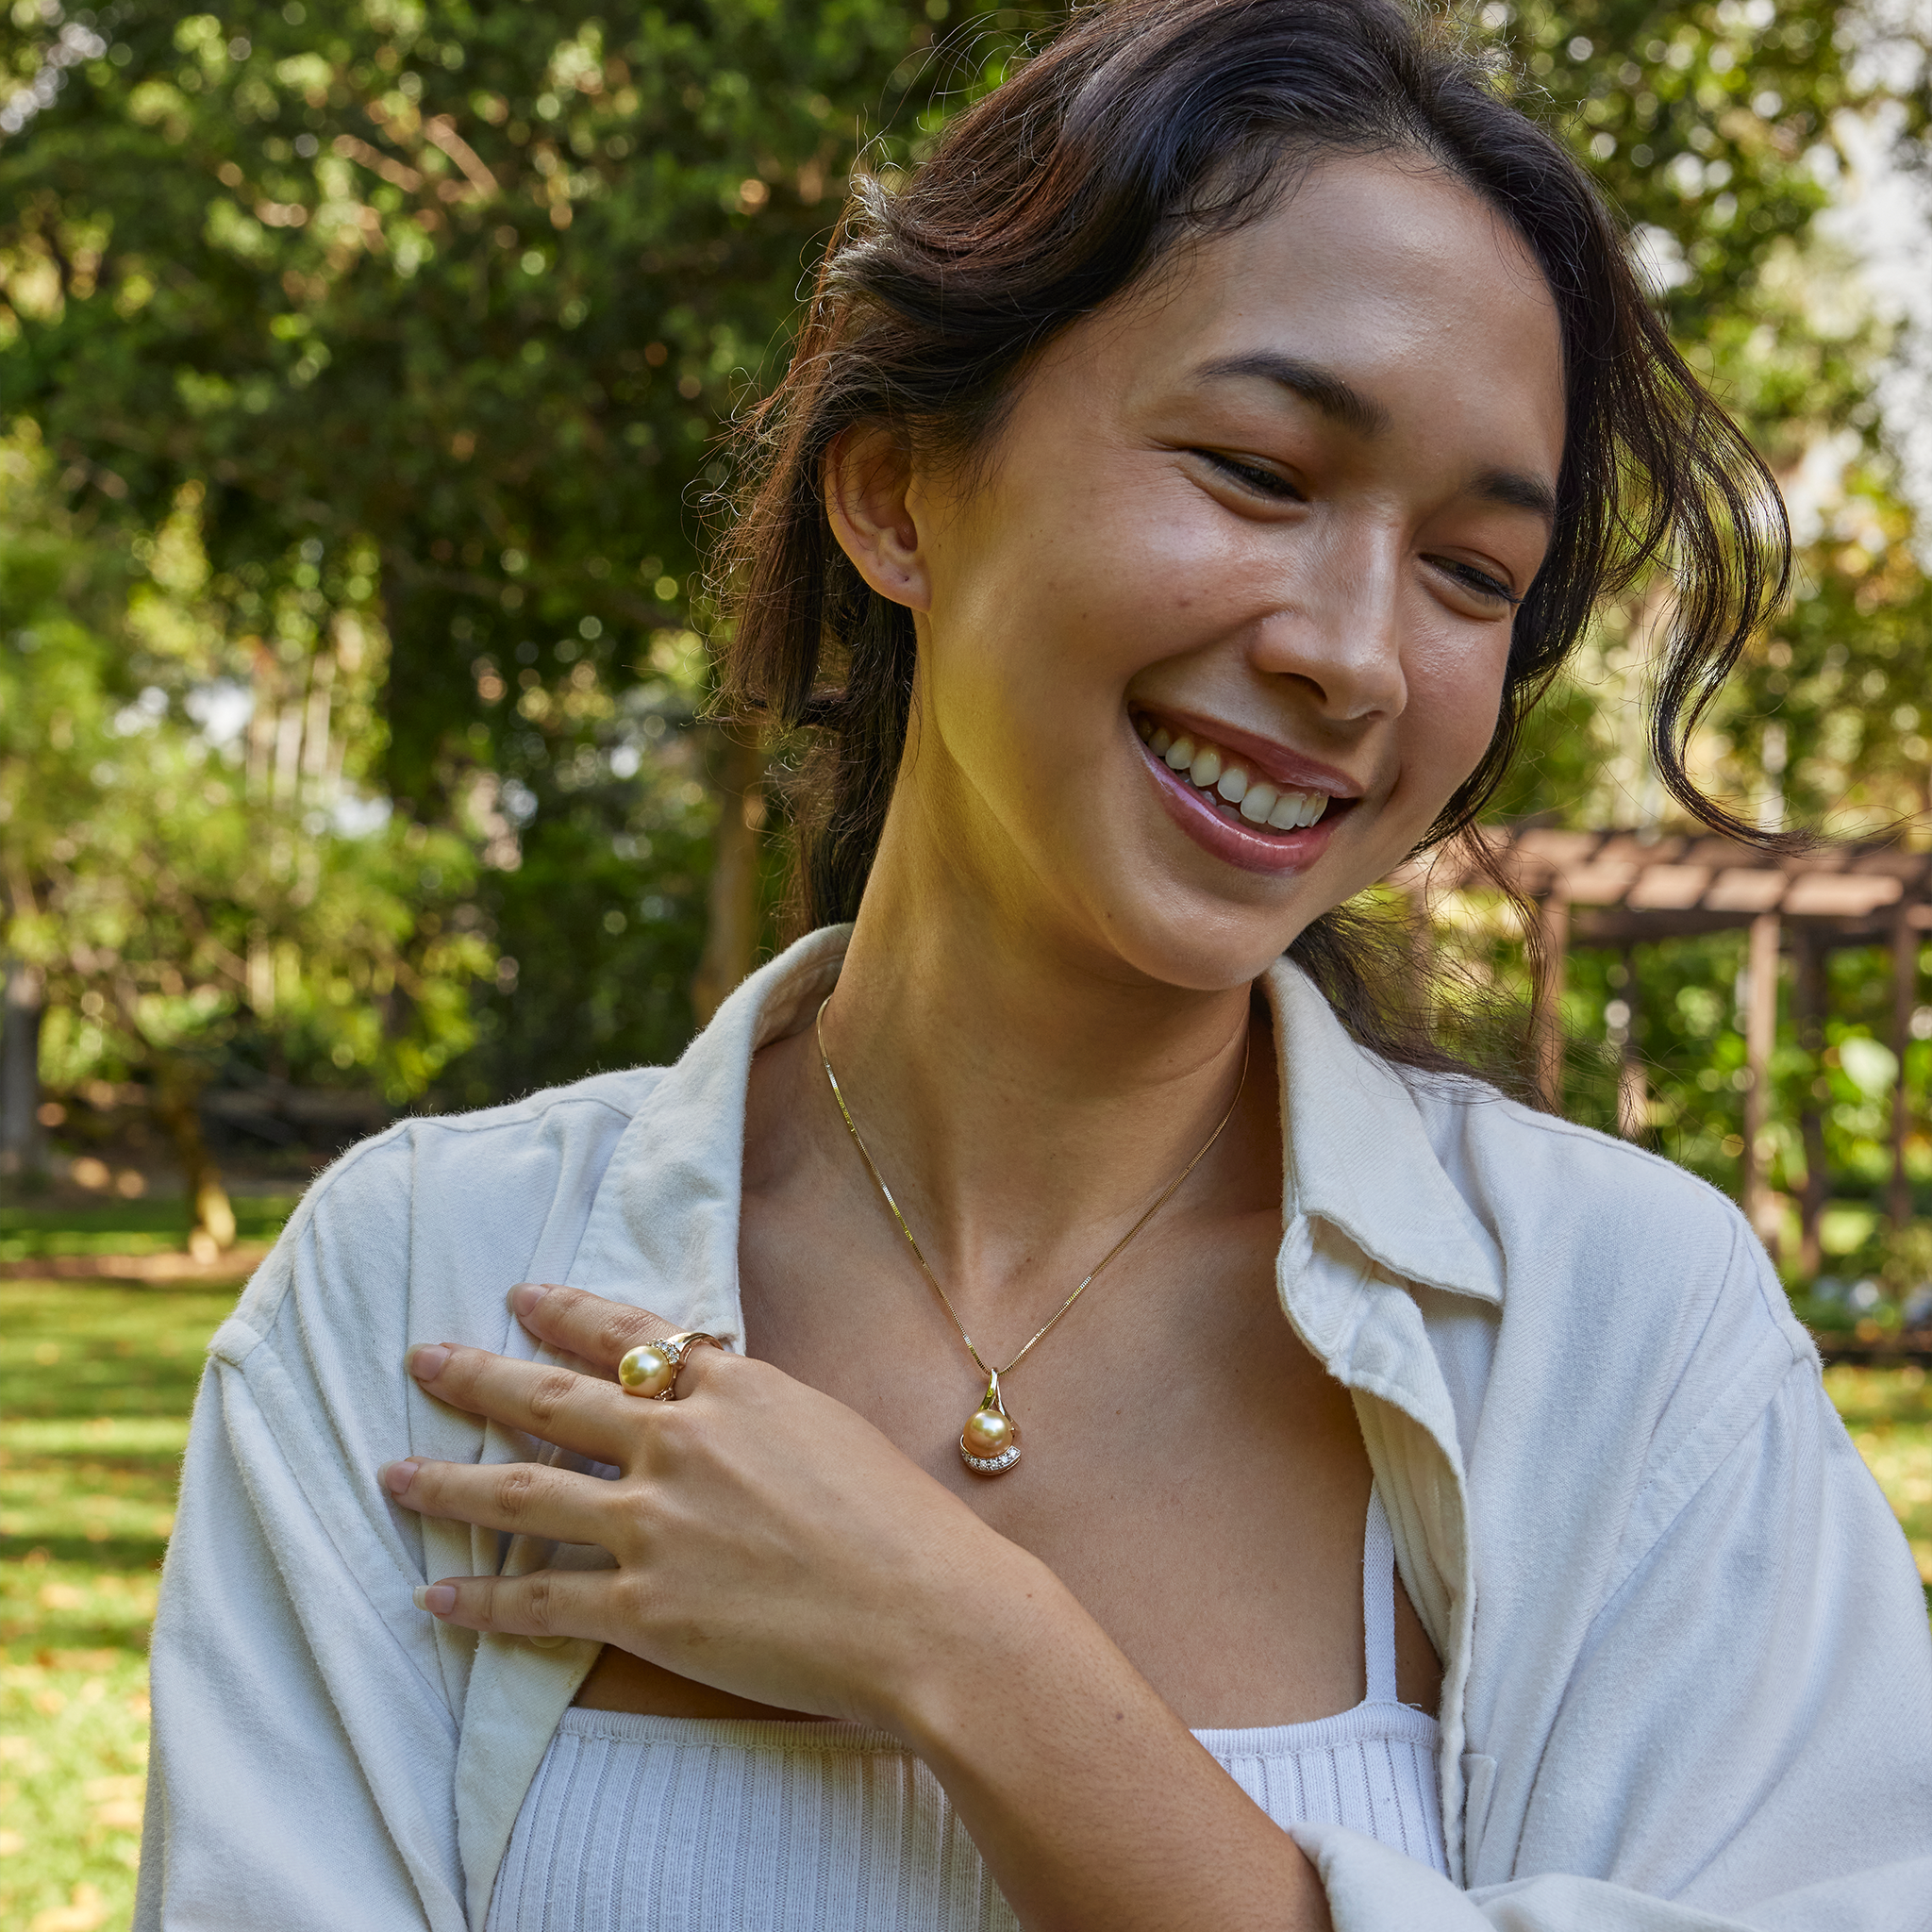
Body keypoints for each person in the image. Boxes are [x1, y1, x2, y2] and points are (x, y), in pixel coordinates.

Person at [136, 1, 1932, 1926]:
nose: (1358, 654)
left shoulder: (1620, 1339)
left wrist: (968, 1647)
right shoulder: (421, 1296)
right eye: (1257, 468)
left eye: (1472, 575)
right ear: (899, 488)